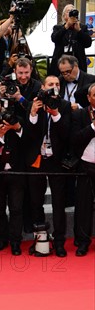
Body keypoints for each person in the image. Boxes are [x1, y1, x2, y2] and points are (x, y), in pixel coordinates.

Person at [25, 75, 71, 257]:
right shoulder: (34, 103)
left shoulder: (65, 106)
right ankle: (40, 239)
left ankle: (59, 242)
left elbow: (67, 134)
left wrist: (56, 114)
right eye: (50, 84)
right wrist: (33, 114)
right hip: (37, 159)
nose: (54, 87)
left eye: (57, 84)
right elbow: (27, 136)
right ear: (43, 87)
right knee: (35, 201)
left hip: (57, 160)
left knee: (59, 203)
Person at [0, 101, 25, 255]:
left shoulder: (14, 123)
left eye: (1, 115)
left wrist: (17, 128)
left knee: (16, 209)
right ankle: (3, 239)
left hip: (16, 174)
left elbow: (27, 141)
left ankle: (16, 242)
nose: (0, 120)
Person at [71, 82, 95, 256]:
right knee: (83, 206)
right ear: (89, 98)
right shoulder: (80, 114)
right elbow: (75, 139)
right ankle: (83, 241)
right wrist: (93, 127)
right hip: (85, 166)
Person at [50, 4, 92, 76]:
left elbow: (88, 43)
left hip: (78, 62)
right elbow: (54, 38)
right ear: (64, 16)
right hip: (60, 61)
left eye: (73, 10)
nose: (71, 13)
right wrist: (66, 26)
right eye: (68, 11)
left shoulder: (82, 27)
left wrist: (79, 30)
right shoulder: (58, 28)